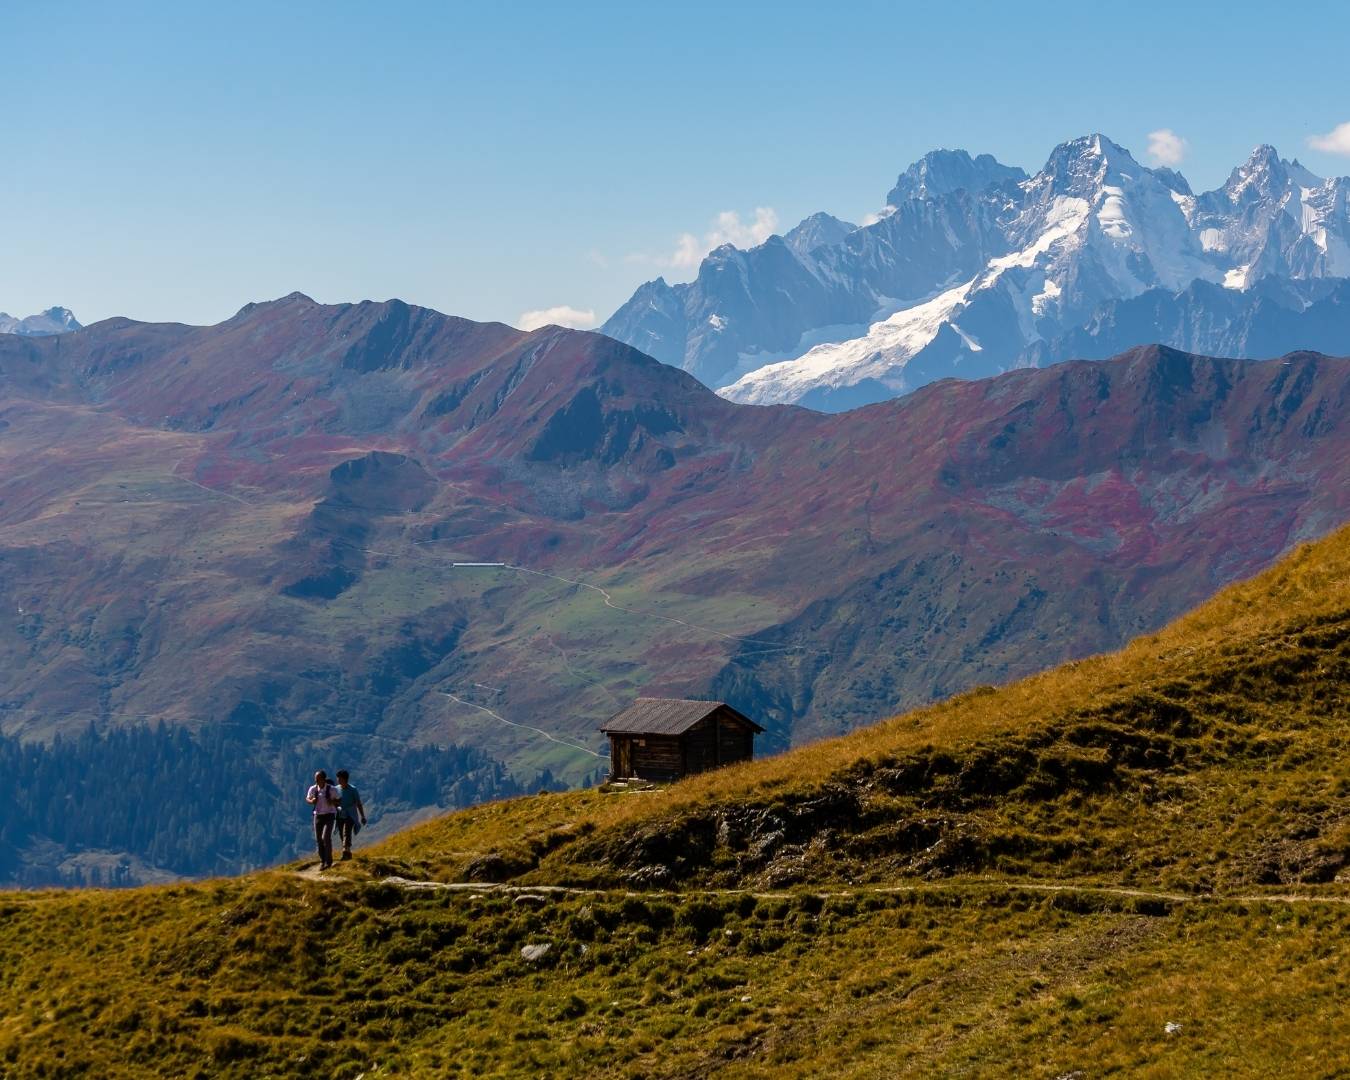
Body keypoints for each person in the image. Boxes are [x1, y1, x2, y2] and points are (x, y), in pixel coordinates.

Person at [306, 769, 339, 869]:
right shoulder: (313, 789)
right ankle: (322, 860)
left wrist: (332, 801)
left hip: (329, 815)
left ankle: (328, 861)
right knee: (318, 839)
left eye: (318, 778)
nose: (316, 780)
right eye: (315, 778)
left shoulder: (332, 789)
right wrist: (312, 801)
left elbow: (338, 801)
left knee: (326, 837)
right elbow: (307, 799)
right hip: (318, 815)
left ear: (323, 779)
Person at [333, 769, 367, 860]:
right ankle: (348, 852)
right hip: (340, 814)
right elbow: (333, 801)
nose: (338, 780)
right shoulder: (336, 789)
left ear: (345, 779)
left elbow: (358, 803)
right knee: (341, 832)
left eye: (339, 778)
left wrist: (362, 816)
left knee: (346, 830)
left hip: (351, 814)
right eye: (338, 779)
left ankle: (345, 850)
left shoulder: (353, 790)